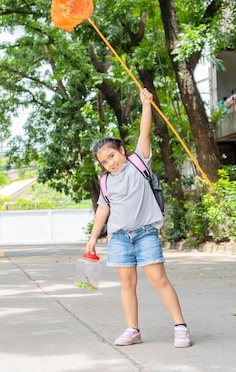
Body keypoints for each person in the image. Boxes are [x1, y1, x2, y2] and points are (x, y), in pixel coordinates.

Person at [86, 87, 191, 348]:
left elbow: (144, 132)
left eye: (112, 155)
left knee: (158, 279)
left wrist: (146, 105)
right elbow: (103, 209)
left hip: (145, 233)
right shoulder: (106, 182)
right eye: (104, 161)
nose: (110, 163)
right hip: (119, 238)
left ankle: (180, 327)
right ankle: (133, 329)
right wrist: (92, 239)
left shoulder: (138, 162)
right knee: (126, 283)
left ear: (121, 150)